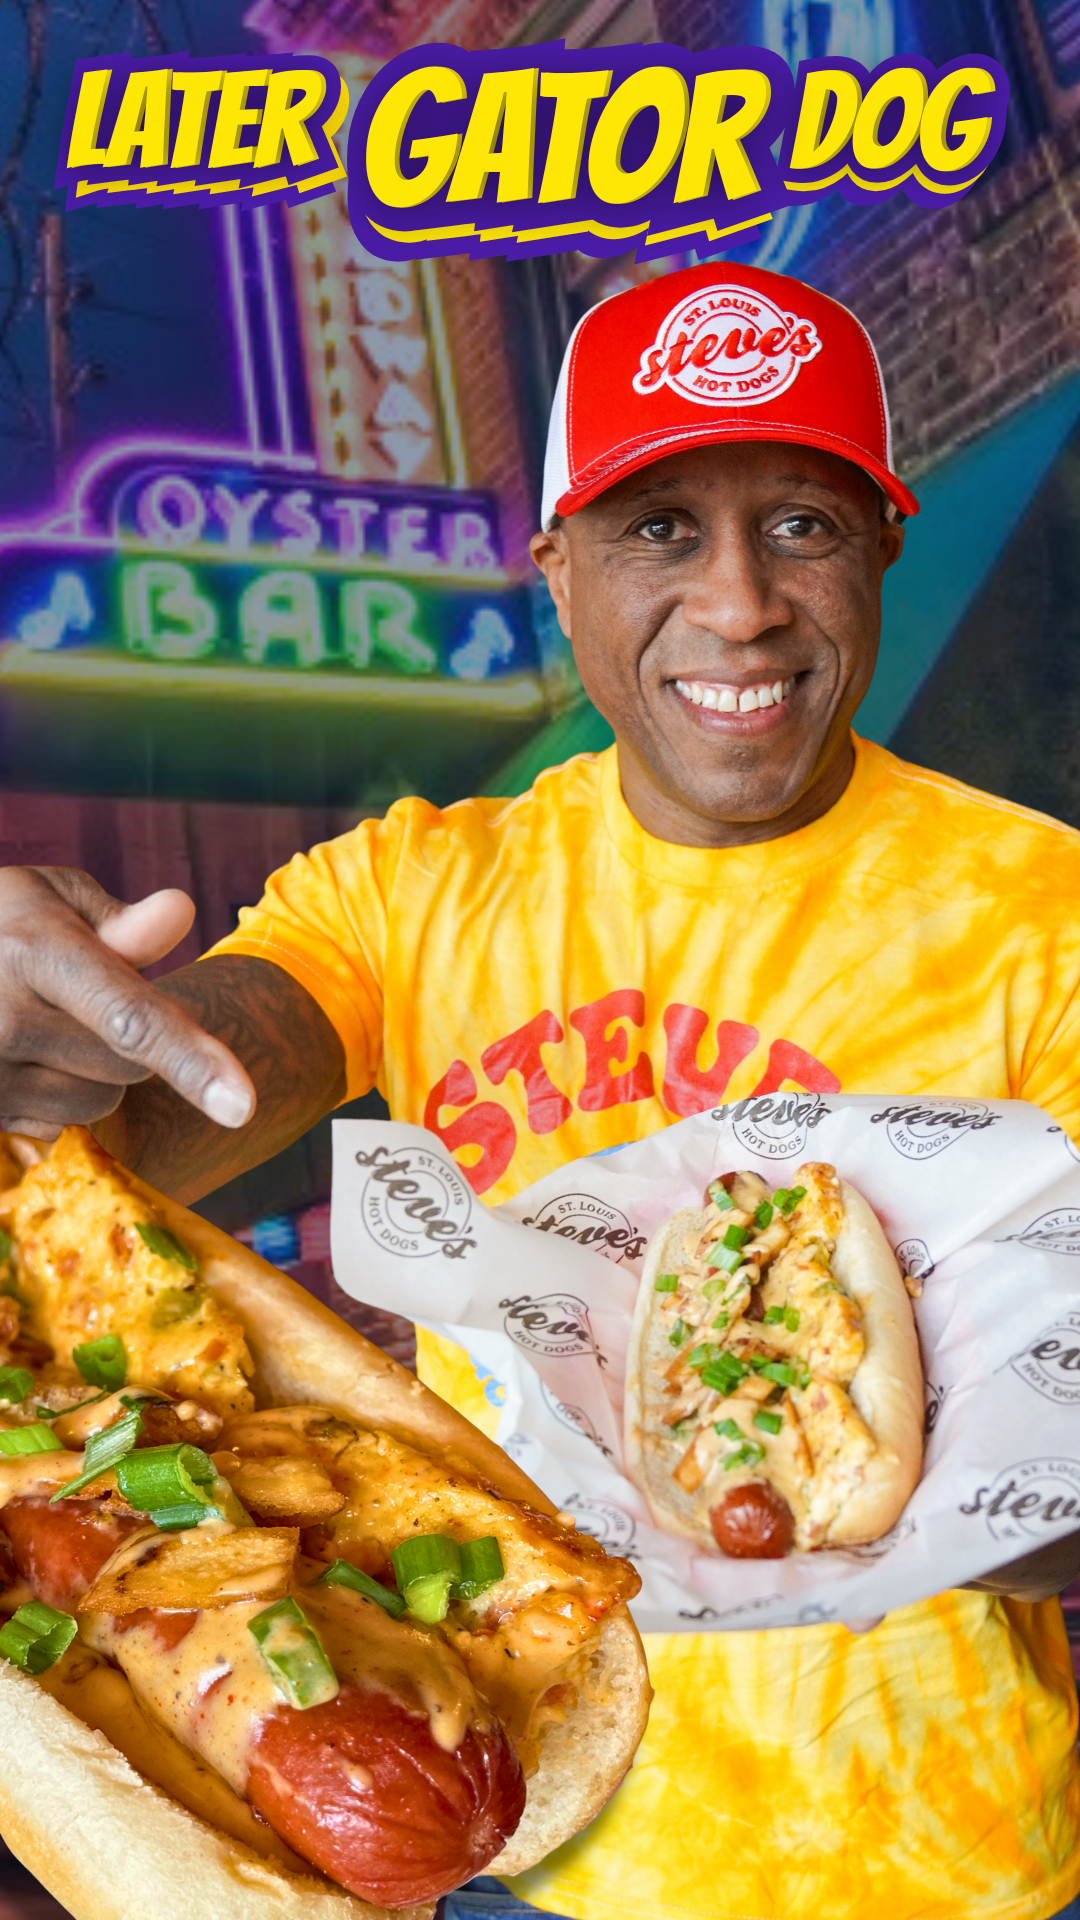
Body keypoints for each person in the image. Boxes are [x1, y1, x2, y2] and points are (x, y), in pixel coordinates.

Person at [1, 260, 1079, 1920]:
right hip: (522, 1836)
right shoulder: (412, 887)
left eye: (800, 522)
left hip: (953, 1860)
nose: (738, 603)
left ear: (882, 549)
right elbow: (168, 1095)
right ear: (557, 572)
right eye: (658, 529)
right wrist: (50, 1035)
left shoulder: (1044, 909)